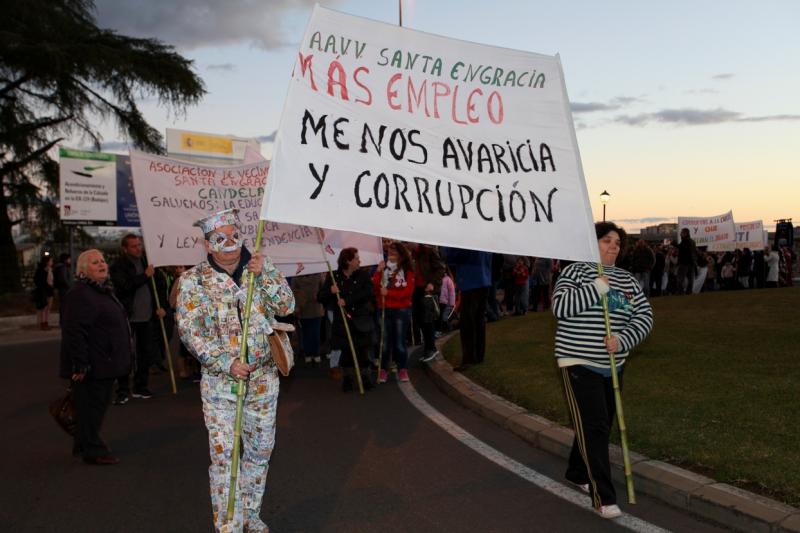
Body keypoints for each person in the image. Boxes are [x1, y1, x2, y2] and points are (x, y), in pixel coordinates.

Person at [176, 209, 295, 533]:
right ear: (207, 244)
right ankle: (228, 523)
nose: (229, 244)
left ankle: (250, 515)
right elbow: (190, 330)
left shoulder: (259, 269)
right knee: (224, 456)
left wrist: (267, 272)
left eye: (233, 236)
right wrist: (223, 361)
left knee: (258, 453)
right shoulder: (192, 281)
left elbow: (287, 306)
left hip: (262, 382)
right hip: (220, 386)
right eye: (220, 238)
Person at [552, 222, 654, 519]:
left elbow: (644, 317)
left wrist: (623, 339)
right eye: (607, 240)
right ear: (591, 242)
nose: (614, 246)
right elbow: (560, 308)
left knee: (597, 425)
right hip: (578, 362)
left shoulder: (628, 280)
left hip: (613, 364)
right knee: (595, 427)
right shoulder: (574, 272)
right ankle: (603, 496)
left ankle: (576, 471)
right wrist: (598, 286)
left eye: (618, 243)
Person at [59, 249, 132, 465]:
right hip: (94, 364)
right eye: (94, 263)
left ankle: (83, 444)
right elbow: (74, 332)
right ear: (83, 270)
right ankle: (93, 450)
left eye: (102, 261)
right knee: (92, 408)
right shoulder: (80, 294)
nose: (102, 264)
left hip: (104, 362)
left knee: (90, 407)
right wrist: (80, 365)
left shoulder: (99, 291)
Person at [110, 234, 165, 403]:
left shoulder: (146, 262)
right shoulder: (118, 265)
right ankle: (123, 390)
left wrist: (160, 306)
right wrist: (145, 276)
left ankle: (141, 386)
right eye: (134, 246)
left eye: (139, 245)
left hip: (147, 316)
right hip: (128, 316)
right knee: (125, 354)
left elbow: (160, 285)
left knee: (145, 353)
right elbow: (124, 286)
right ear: (125, 249)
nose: (138, 248)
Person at [318, 247, 376, 392]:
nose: (359, 260)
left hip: (361, 319)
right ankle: (348, 379)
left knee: (362, 350)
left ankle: (365, 377)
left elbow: (368, 292)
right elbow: (320, 297)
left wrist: (347, 300)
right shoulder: (334, 276)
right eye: (356, 258)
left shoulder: (363, 275)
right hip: (342, 321)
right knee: (347, 351)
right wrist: (330, 291)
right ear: (348, 261)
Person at [439, 247, 492, 371]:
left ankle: (469, 359)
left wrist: (446, 249)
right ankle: (478, 355)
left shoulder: (468, 239)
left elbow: (454, 256)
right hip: (483, 280)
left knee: (468, 322)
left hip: (470, 281)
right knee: (479, 320)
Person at [373, 241, 415, 383]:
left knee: (399, 342)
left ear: (401, 255)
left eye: (394, 252)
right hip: (384, 309)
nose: (391, 254)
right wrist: (378, 272)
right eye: (389, 251)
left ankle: (402, 369)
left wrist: (388, 293)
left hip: (401, 310)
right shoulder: (383, 268)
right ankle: (383, 369)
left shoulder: (408, 270)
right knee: (384, 343)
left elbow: (407, 292)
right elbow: (375, 287)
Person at [411, 243, 445, 359]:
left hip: (427, 289)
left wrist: (432, 284)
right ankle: (428, 347)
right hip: (416, 289)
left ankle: (431, 348)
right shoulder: (410, 254)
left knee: (427, 320)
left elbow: (440, 268)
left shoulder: (428, 251)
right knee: (420, 320)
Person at [291, 272, 326, 365]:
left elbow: (324, 289)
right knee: (305, 333)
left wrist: (319, 297)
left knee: (315, 333)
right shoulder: (296, 277)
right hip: (302, 309)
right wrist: (296, 306)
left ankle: (316, 353)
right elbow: (293, 292)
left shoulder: (318, 275)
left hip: (316, 308)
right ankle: (308, 354)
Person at [33, 254, 55, 330]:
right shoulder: (41, 270)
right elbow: (38, 280)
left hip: (49, 290)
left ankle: (46, 322)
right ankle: (43, 323)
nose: (52, 262)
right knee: (44, 308)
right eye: (51, 261)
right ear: (47, 262)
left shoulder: (50, 269)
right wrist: (46, 285)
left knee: (48, 308)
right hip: (44, 291)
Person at [676, 228, 697, 295]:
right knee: (690, 279)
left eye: (682, 233)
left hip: (684, 263)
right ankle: (689, 291)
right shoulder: (691, 242)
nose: (680, 234)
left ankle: (681, 292)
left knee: (680, 279)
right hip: (691, 262)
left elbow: (684, 250)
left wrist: (674, 244)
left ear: (685, 233)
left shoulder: (685, 241)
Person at [53, 253, 72, 325]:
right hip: (64, 290)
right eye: (69, 259)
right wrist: (70, 287)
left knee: (63, 305)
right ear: (65, 260)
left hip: (62, 289)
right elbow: (64, 279)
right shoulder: (63, 267)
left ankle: (63, 321)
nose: (70, 260)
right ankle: (64, 321)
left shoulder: (59, 267)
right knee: (65, 306)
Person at [437, 265, 456, 335]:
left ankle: (448, 329)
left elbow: (452, 292)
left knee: (444, 317)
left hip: (447, 303)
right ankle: (443, 329)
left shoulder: (447, 279)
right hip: (441, 302)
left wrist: (451, 303)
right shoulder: (439, 279)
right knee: (440, 317)